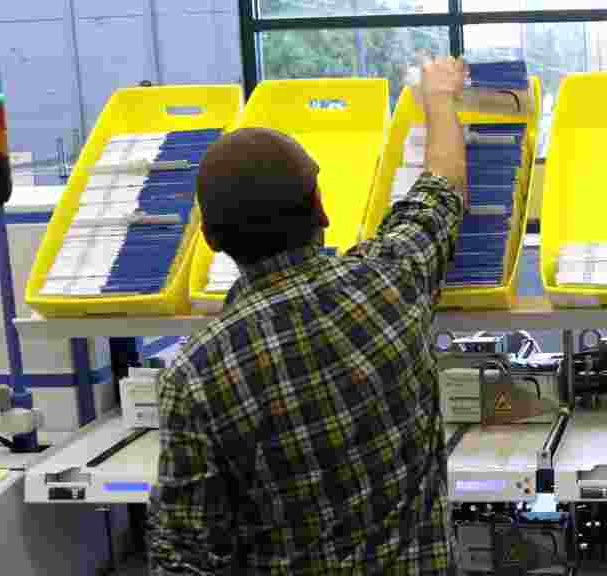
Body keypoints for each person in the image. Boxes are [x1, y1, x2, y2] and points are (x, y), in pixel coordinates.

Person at [147, 56, 468, 575]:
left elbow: (184, 557)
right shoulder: (389, 283)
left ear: (209, 238)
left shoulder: (198, 375)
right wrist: (439, 96)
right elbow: (442, 188)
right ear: (321, 209)